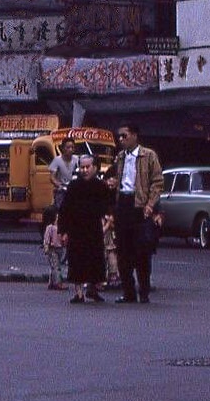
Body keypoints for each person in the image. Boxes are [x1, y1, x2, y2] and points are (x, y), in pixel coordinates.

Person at [111, 123, 163, 304]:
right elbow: (118, 179)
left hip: (139, 205)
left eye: (124, 136)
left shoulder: (148, 155)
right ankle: (128, 292)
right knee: (123, 251)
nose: (121, 140)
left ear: (134, 136)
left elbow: (157, 182)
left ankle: (144, 291)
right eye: (119, 136)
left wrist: (150, 205)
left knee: (142, 251)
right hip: (123, 204)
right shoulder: (120, 157)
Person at [57, 155, 110, 303]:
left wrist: (107, 221)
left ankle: (93, 289)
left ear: (95, 167)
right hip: (76, 229)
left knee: (96, 259)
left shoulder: (101, 186)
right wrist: (63, 231)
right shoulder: (74, 186)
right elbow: (64, 210)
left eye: (88, 167)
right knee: (76, 260)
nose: (85, 170)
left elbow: (107, 207)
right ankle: (79, 292)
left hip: (94, 228)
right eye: (82, 167)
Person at [41, 207, 67, 291]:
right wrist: (46, 247)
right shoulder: (50, 227)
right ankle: (58, 283)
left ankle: (51, 282)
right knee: (56, 267)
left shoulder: (60, 227)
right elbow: (46, 239)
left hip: (59, 248)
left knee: (54, 266)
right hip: (52, 249)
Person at [47, 138, 77, 209]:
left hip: (73, 190)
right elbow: (52, 177)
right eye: (68, 147)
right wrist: (59, 185)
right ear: (63, 148)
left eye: (72, 147)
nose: (70, 149)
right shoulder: (57, 160)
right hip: (61, 190)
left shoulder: (77, 159)